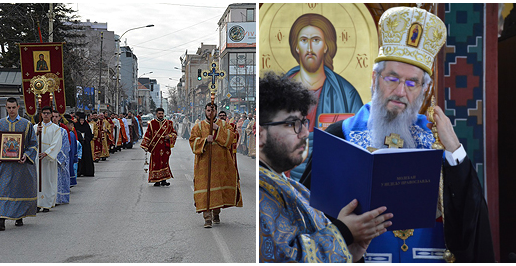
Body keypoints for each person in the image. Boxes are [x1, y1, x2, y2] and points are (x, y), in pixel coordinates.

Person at [300, 6, 494, 263]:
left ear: (425, 91)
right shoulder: (340, 136)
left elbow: (471, 226)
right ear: (374, 79)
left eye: (412, 82)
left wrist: (455, 151)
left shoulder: (438, 142)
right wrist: (343, 231)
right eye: (392, 78)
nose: (401, 91)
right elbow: (305, 216)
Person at [258, 72, 392, 262]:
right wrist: (344, 232)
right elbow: (280, 257)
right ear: (260, 134)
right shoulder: (259, 191)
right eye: (291, 124)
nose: (305, 133)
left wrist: (349, 252)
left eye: (303, 122)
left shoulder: (296, 188)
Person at [285, 13, 364, 181]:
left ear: (326, 46)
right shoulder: (281, 90)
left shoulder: (346, 93)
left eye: (316, 40)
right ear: (296, 47)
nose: (310, 48)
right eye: (304, 40)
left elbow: (360, 140)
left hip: (332, 177)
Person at [189, 103, 243, 228]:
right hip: (204, 165)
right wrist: (204, 141)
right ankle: (207, 218)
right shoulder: (198, 126)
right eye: (208, 110)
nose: (210, 113)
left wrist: (217, 129)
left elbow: (231, 138)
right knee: (205, 189)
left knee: (218, 190)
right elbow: (192, 141)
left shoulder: (224, 125)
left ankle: (216, 213)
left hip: (221, 164)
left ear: (216, 111)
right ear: (205, 111)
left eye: (212, 110)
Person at [0, 97, 38, 230]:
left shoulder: (26, 124)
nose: (11, 110)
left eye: (13, 107)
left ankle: (19, 216)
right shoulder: (0, 124)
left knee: (19, 189)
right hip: (4, 166)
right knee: (3, 189)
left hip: (20, 164)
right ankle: (2, 219)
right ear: (6, 107)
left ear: (18, 107)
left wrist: (26, 155)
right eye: (9, 108)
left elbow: (33, 144)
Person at [34, 106, 62, 212]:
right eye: (44, 113)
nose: (45, 115)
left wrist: (47, 153)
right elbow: (31, 141)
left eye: (47, 113)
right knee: (37, 179)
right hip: (37, 157)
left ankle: (47, 204)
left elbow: (56, 143)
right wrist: (36, 132)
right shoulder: (35, 127)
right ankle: (37, 203)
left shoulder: (56, 128)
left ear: (51, 114)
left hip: (48, 158)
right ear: (41, 114)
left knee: (48, 180)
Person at [140, 108, 177, 187]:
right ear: (156, 114)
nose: (160, 115)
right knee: (156, 162)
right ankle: (156, 180)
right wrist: (145, 145)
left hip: (165, 147)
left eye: (162, 113)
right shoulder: (152, 123)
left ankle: (164, 180)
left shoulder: (169, 123)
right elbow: (148, 134)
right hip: (155, 147)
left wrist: (169, 136)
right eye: (159, 113)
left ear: (164, 114)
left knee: (165, 162)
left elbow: (174, 133)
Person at [52, 110, 70, 205]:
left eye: (56, 116)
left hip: (59, 160)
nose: (54, 118)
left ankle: (60, 198)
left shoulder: (63, 131)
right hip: (49, 159)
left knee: (60, 179)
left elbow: (66, 146)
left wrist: (58, 158)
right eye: (53, 116)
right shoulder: (48, 130)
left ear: (59, 118)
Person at [219, 110, 239, 178]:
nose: (222, 117)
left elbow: (235, 135)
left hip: (229, 148)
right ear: (218, 117)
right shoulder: (214, 126)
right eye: (220, 116)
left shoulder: (231, 126)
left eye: (223, 116)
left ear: (226, 117)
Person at [75, 112, 94, 177]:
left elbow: (90, 135)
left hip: (86, 145)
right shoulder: (76, 125)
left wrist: (86, 138)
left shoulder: (87, 126)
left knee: (87, 157)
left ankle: (87, 172)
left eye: (83, 120)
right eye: (81, 120)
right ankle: (79, 171)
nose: (82, 122)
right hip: (79, 144)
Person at [63, 114, 79, 187]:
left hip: (70, 154)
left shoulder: (71, 134)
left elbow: (74, 146)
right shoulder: (66, 133)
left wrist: (75, 156)